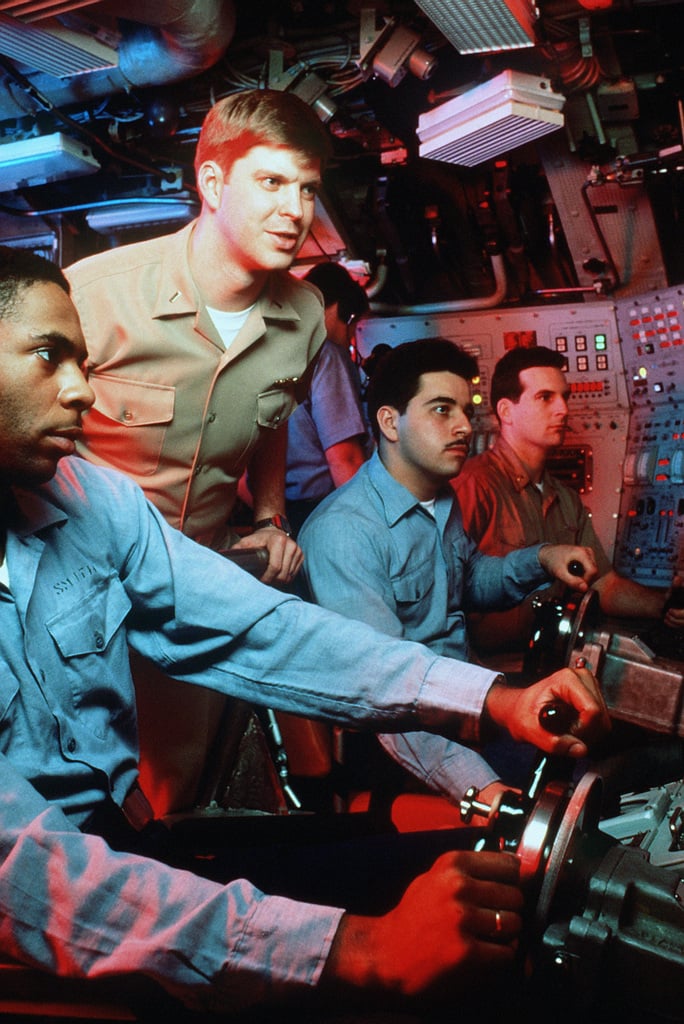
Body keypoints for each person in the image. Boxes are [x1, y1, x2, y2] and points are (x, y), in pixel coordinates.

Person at [0, 249, 610, 1018]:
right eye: (49, 356)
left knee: (499, 894)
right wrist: (358, 950)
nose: (82, 392)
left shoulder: (89, 496)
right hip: (42, 927)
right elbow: (28, 871)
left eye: (84, 361)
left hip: (131, 845)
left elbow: (261, 630)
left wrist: (492, 697)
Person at [65, 89, 331, 812]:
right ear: (212, 183)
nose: (295, 210)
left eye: (307, 188)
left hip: (196, 585)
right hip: (76, 591)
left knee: (172, 795)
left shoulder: (305, 316)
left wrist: (272, 517)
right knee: (70, 791)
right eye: (271, 182)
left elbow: (272, 417)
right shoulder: (94, 297)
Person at [299, 339, 601, 813]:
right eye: (442, 410)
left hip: (461, 708)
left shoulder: (439, 500)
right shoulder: (344, 532)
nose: (464, 426)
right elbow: (385, 691)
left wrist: (541, 557)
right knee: (567, 797)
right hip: (399, 743)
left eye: (465, 409)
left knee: (593, 755)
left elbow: (471, 580)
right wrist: (483, 791)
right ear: (388, 422)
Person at [452, 345, 684, 669]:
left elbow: (603, 585)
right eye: (545, 397)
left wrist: (664, 604)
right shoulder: (472, 487)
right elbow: (440, 601)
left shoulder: (565, 499)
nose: (562, 409)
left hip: (550, 665)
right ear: (506, 411)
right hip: (488, 673)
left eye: (565, 396)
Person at [285, 262, 369, 536]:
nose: (351, 336)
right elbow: (345, 458)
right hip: (326, 509)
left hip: (280, 516)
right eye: (353, 324)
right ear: (341, 309)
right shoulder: (326, 355)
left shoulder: (275, 353)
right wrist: (372, 527)